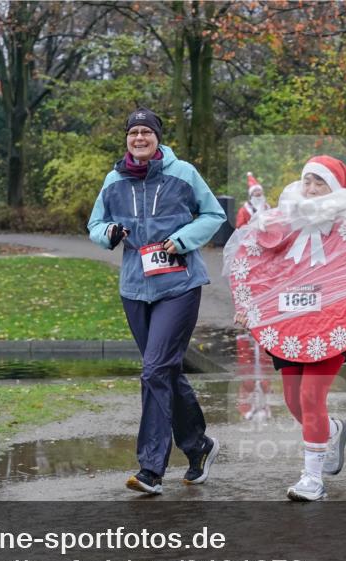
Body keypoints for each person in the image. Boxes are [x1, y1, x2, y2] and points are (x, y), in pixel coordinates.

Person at [226, 156, 346, 501]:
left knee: (310, 396)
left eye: (320, 182)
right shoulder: (280, 220)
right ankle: (330, 430)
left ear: (335, 188)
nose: (312, 189)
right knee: (292, 401)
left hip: (331, 326)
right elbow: (258, 265)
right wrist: (247, 305)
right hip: (288, 325)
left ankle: (312, 478)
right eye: (308, 181)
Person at [87, 108, 224, 496]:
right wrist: (108, 233)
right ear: (127, 139)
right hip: (135, 286)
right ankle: (199, 447)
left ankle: (151, 468)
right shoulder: (114, 180)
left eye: (147, 132)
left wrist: (182, 239)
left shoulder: (183, 174)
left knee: (154, 371)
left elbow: (214, 214)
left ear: (158, 137)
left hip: (178, 284)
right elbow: (94, 224)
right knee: (163, 371)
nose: (140, 138)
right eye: (134, 133)